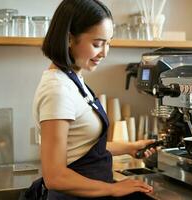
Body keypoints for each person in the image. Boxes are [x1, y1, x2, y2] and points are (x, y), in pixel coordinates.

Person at [23, 0, 157, 199]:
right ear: (69, 39)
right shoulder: (57, 90)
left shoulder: (73, 79)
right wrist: (114, 188)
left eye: (108, 43)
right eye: (97, 44)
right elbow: (55, 176)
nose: (104, 53)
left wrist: (129, 148)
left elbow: (81, 147)